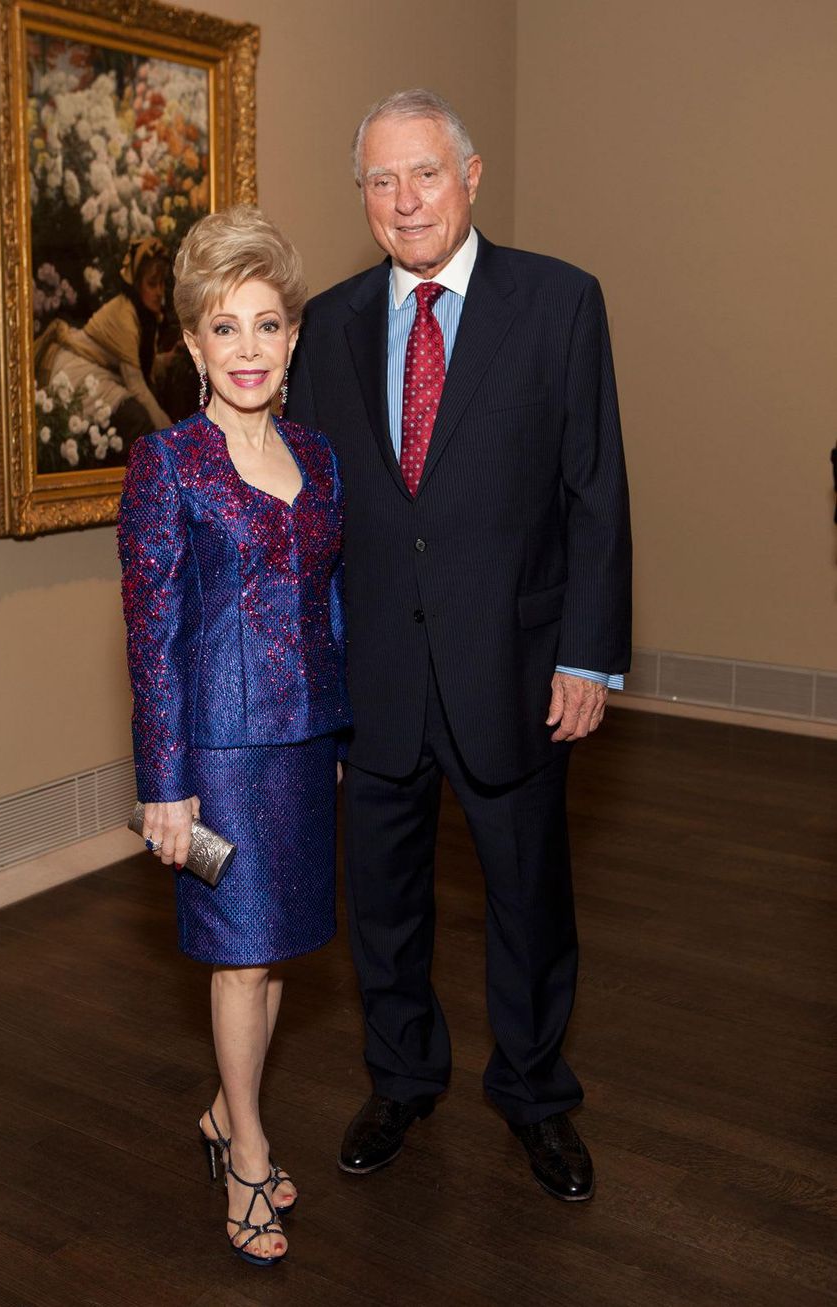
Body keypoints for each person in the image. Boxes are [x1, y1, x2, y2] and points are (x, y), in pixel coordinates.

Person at [287, 90, 631, 1202]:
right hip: (376, 673)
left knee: (528, 898)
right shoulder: (329, 325)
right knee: (380, 902)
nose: (403, 200)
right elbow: (319, 513)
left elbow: (594, 494)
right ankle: (400, 1078)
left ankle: (534, 1095)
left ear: (470, 177)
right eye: (380, 182)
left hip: (516, 671)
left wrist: (587, 656)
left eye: (423, 174)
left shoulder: (558, 302)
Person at [118, 207, 350, 1264]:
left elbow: (328, 604)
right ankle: (247, 1152)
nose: (247, 349)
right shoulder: (168, 465)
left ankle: (226, 1106)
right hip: (214, 751)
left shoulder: (319, 455)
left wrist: (337, 727)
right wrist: (163, 786)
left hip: (303, 744)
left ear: (292, 336)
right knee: (237, 956)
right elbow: (152, 635)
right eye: (225, 327)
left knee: (281, 951)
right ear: (195, 344)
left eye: (265, 325)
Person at [36, 236, 175, 450]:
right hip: (78, 371)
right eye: (152, 284)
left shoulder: (144, 314)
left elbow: (138, 363)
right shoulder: (124, 316)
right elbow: (136, 385)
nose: (159, 292)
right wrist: (174, 438)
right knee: (136, 417)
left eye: (162, 284)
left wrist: (167, 360)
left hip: (102, 369)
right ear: (136, 285)